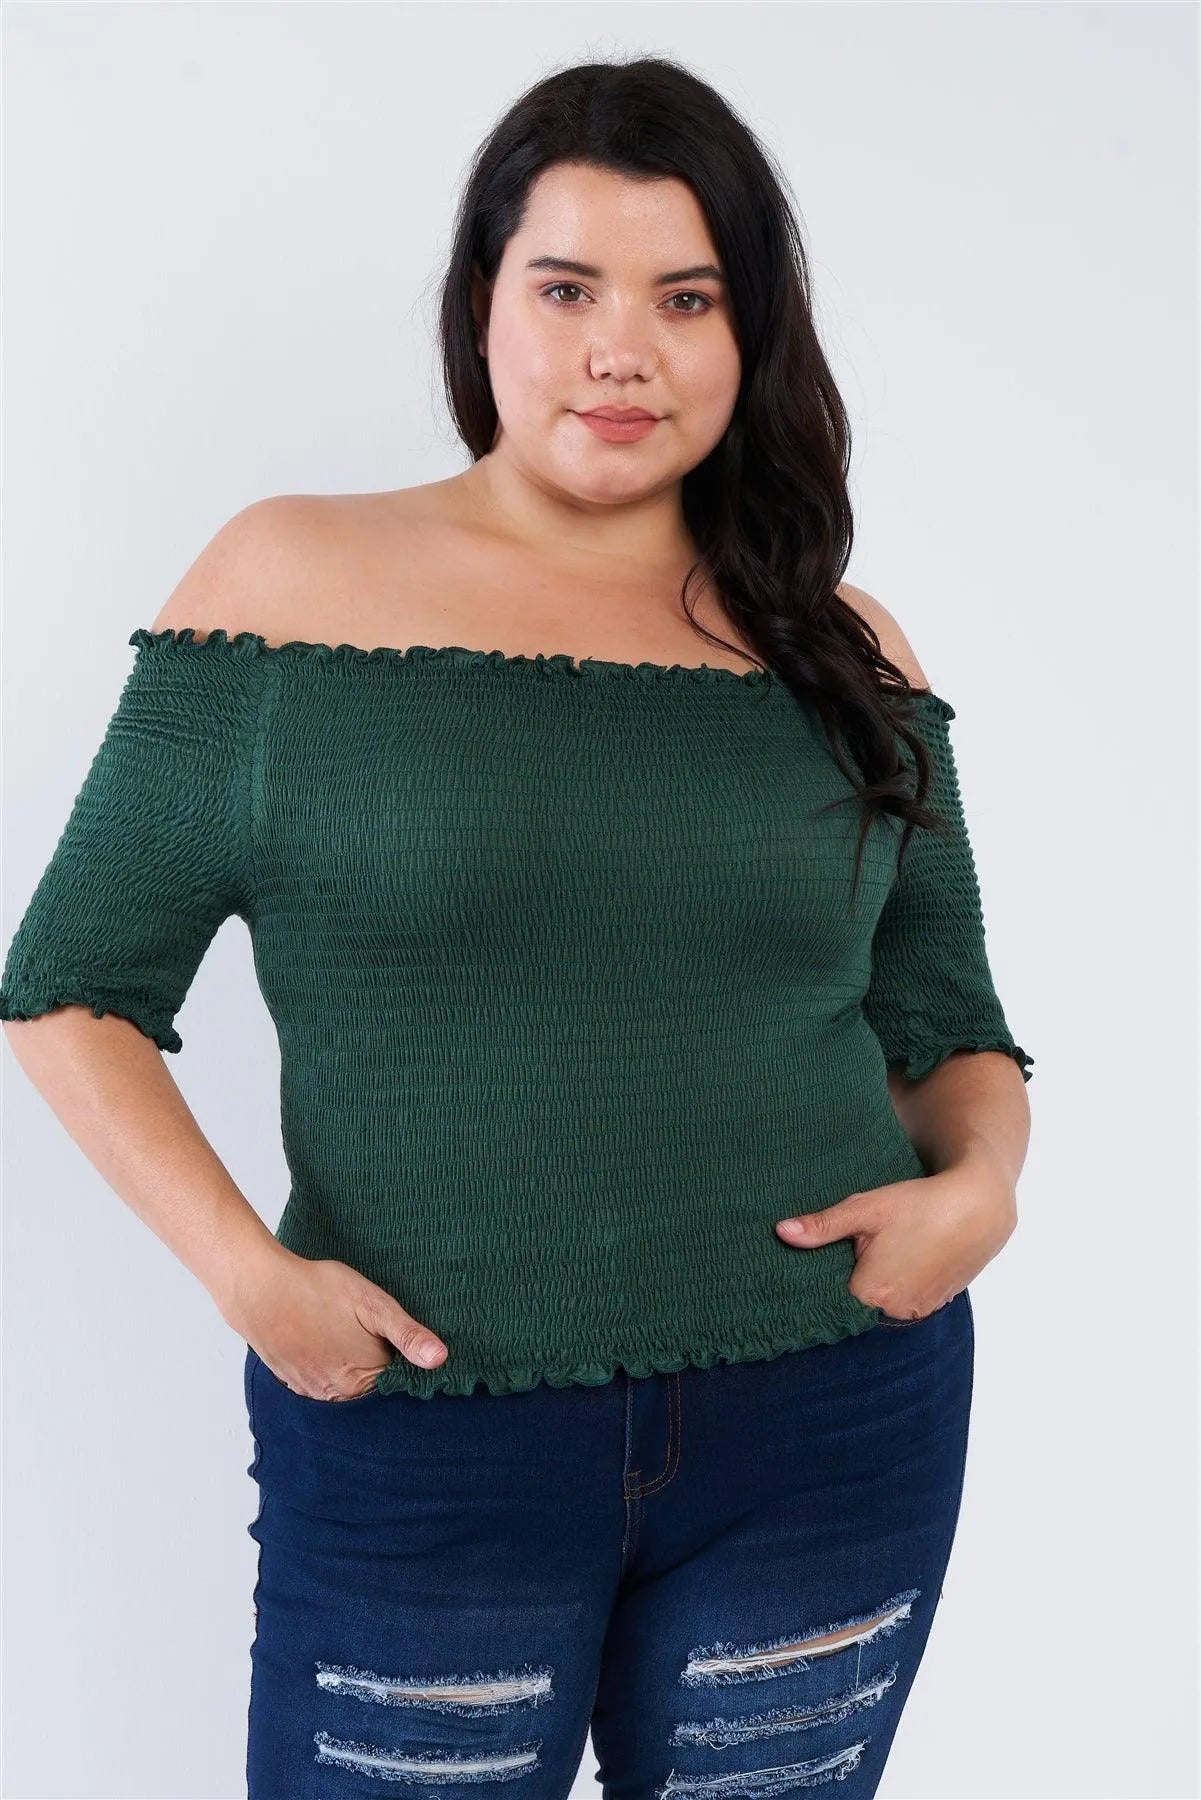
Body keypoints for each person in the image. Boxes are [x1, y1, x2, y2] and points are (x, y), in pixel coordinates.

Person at [0, 55, 1033, 1800]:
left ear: (751, 332)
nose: (621, 351)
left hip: (835, 1418)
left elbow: (945, 1021)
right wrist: (251, 1279)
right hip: (427, 1439)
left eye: (685, 299)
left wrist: (982, 1189)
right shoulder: (287, 590)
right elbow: (71, 986)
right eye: (567, 290)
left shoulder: (842, 646)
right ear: (482, 304)